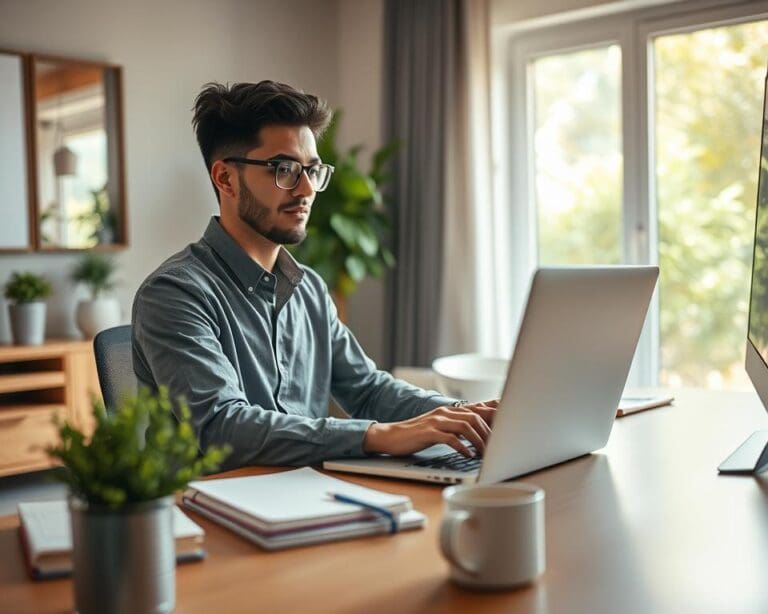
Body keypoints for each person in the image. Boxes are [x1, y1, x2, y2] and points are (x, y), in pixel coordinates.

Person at [132, 80, 497, 469]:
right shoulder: (174, 293)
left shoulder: (309, 289)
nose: (307, 189)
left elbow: (369, 391)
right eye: (284, 169)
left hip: (308, 498)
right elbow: (223, 426)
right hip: (210, 511)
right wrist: (377, 435)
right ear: (225, 179)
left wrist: (466, 414)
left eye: (312, 169)